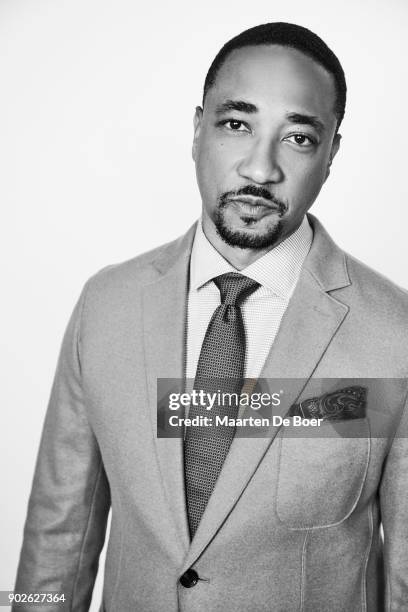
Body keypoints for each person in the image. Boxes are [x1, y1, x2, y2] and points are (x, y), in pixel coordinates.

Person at [14, 22, 408, 612]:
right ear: (199, 130)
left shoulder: (393, 333)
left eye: (298, 137)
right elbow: (56, 540)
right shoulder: (107, 305)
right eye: (236, 124)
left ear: (331, 154)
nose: (259, 168)